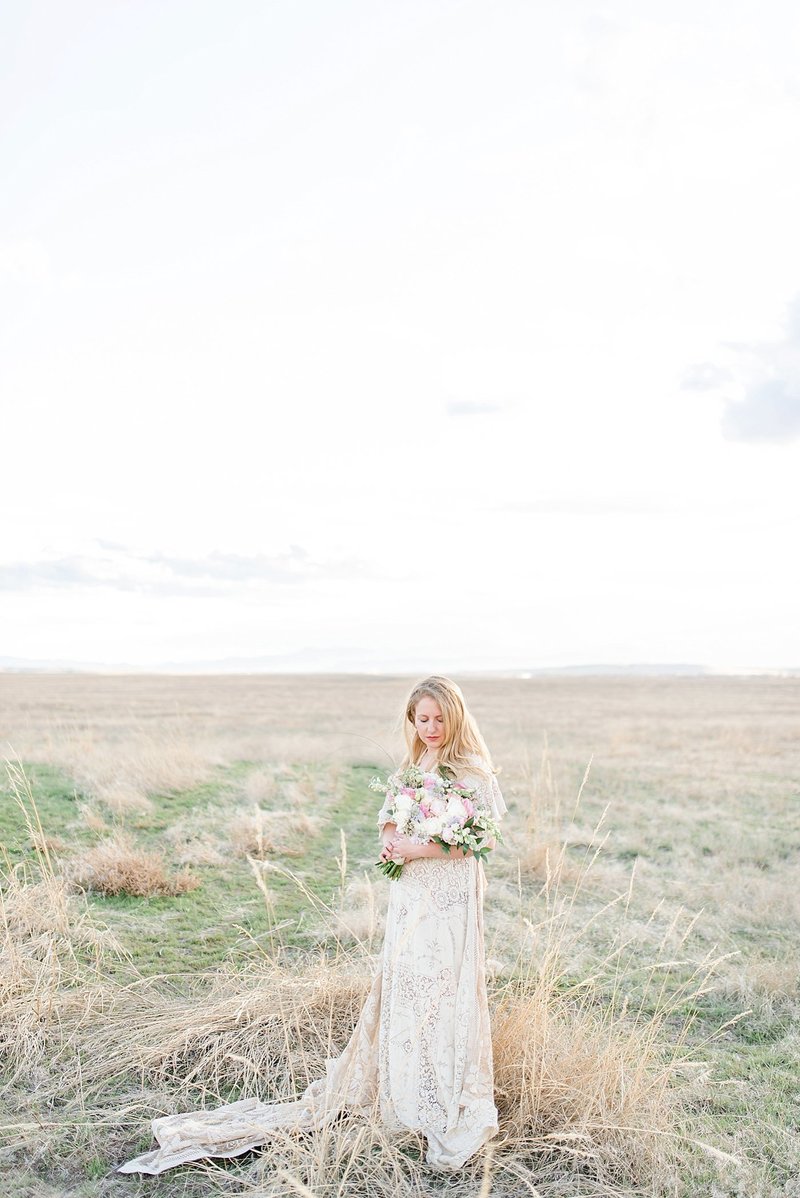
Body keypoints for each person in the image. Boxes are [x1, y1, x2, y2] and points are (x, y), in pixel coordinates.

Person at [118, 675, 507, 1175]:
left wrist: (420, 847)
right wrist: (391, 841)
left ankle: (441, 1095)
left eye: (439, 718)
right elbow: (390, 815)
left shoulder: (472, 771)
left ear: (456, 716)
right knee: (409, 984)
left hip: (449, 896)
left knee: (443, 987)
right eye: (422, 719)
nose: (431, 728)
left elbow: (482, 841)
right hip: (411, 893)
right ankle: (407, 1090)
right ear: (412, 721)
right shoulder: (414, 766)